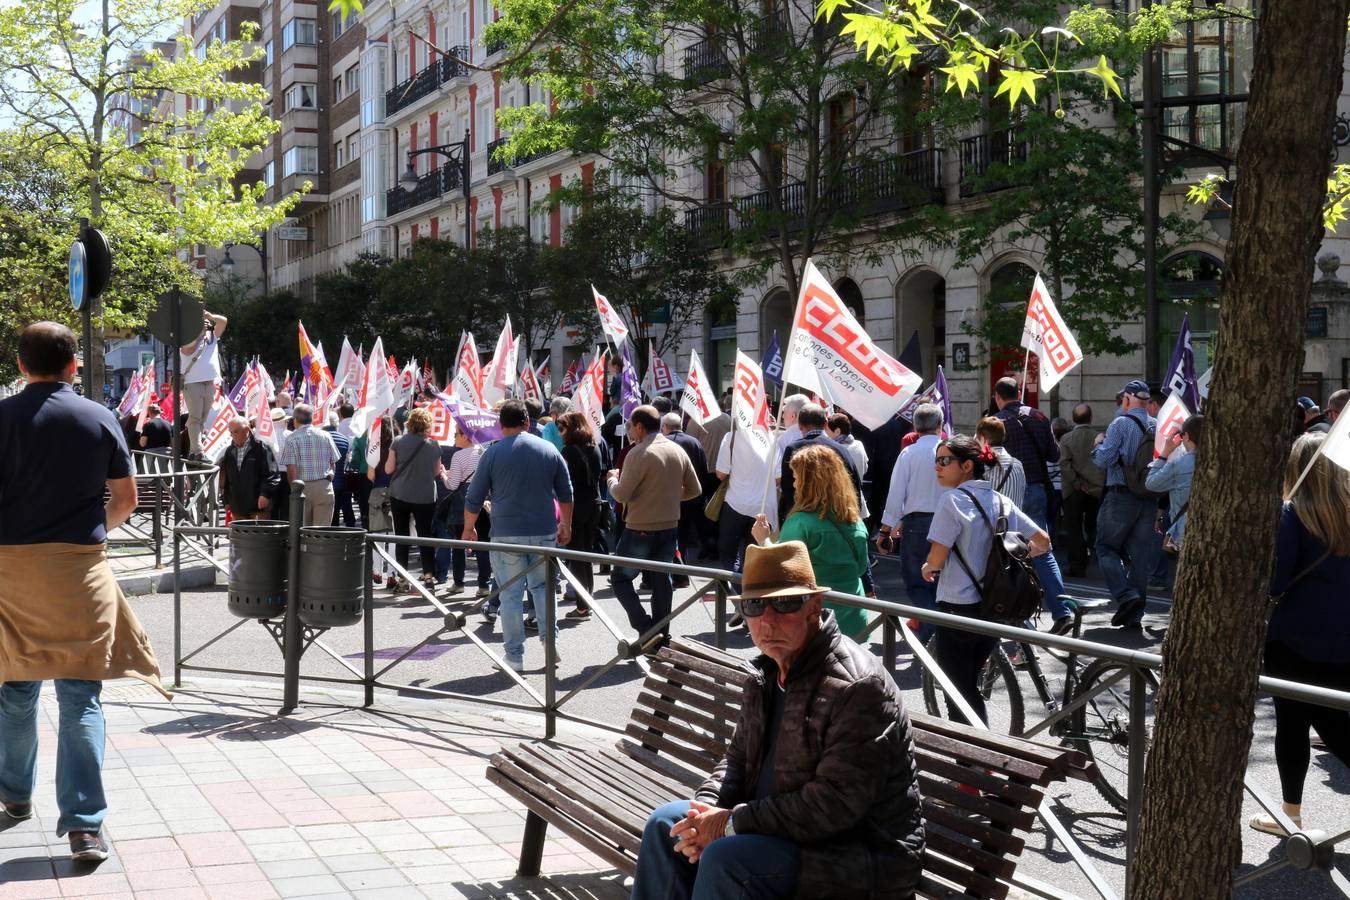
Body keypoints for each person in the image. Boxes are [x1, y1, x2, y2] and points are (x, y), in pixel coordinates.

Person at [630, 541, 924, 900]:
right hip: (781, 832)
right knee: (667, 825)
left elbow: (834, 804)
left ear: (813, 607)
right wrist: (703, 809)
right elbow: (737, 760)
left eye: (785, 603)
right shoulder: (766, 674)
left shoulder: (858, 687)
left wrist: (729, 824)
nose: (768, 619)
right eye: (755, 605)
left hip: (854, 856)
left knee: (727, 858)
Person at [0, 321, 166, 862]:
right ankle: (84, 826)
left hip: (11, 575)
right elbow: (125, 500)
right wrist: (87, 536)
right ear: (73, 365)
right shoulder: (99, 417)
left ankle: (14, 796)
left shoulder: (1, 417)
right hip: (80, 573)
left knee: (15, 690)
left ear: (22, 366)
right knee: (79, 696)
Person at [1249, 433, 1350, 835]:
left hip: (1296, 640)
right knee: (1336, 723)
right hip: (1345, 638)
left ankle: (1290, 814)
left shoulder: (1292, 515)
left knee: (1298, 727)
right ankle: (1287, 815)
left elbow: (1274, 583)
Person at [921, 435, 1052, 726]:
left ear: (967, 465)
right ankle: (980, 754)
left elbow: (937, 560)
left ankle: (975, 757)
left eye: (944, 461)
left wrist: (927, 567)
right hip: (996, 604)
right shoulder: (1000, 500)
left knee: (958, 688)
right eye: (936, 461)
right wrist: (1014, 556)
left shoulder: (952, 501)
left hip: (959, 605)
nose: (937, 467)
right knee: (969, 681)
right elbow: (1043, 542)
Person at [463, 400, 574, 672]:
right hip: (544, 531)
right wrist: (566, 525)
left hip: (506, 533)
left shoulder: (492, 453)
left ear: (501, 426)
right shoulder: (549, 449)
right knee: (544, 589)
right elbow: (566, 492)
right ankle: (550, 645)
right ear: (527, 422)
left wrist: (468, 528)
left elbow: (474, 496)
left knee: (511, 595)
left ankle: (514, 656)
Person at [607, 405, 702, 648]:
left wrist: (612, 480)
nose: (629, 430)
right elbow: (695, 489)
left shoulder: (638, 453)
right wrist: (667, 497)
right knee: (662, 579)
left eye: (630, 426)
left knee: (620, 578)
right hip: (669, 525)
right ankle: (661, 636)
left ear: (639, 427)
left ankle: (646, 628)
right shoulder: (676, 450)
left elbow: (621, 494)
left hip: (640, 525)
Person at [751, 445, 870, 640]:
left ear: (810, 483)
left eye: (798, 478)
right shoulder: (855, 522)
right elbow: (860, 568)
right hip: (853, 619)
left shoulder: (801, 522)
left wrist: (763, 538)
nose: (795, 484)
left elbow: (781, 569)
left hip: (815, 620)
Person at [990, 378, 1071, 631]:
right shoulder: (1038, 417)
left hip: (1008, 492)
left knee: (1008, 553)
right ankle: (1061, 610)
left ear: (997, 396)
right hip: (1036, 488)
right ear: (1020, 393)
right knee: (1042, 549)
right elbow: (1054, 454)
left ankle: (1020, 619)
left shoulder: (997, 423)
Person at [1091, 379, 1157, 628]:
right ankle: (1135, 614)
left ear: (1128, 399)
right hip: (1148, 497)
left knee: (1105, 548)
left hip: (1120, 496)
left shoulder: (1120, 423)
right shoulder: (1156, 424)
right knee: (1140, 557)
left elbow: (1103, 460)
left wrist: (1097, 444)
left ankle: (1126, 596)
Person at [877, 404, 944, 641]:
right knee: (941, 582)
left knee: (916, 582)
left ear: (915, 427)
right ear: (940, 425)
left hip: (917, 525)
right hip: (948, 523)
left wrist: (885, 530)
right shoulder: (951, 452)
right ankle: (939, 631)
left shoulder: (908, 454)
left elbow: (896, 495)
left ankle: (934, 631)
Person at [385, 407, 445, 592]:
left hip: (400, 494)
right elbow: (437, 471)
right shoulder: (434, 445)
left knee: (402, 536)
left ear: (409, 423)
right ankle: (428, 576)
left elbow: (388, 469)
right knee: (425, 535)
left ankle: (403, 578)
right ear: (427, 425)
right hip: (425, 495)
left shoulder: (398, 441)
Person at [777, 404, 863, 524]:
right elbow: (854, 486)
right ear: (826, 424)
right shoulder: (841, 449)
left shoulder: (793, 449)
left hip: (802, 523)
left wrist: (787, 521)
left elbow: (788, 489)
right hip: (837, 520)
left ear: (800, 427)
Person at [558, 411, 605, 617]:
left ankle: (583, 605)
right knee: (585, 553)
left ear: (571, 428)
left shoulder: (568, 451)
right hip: (594, 504)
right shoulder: (594, 447)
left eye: (562, 428)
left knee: (576, 556)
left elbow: (563, 482)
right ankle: (587, 599)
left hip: (575, 506)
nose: (560, 432)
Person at [715, 414, 774, 575]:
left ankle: (738, 587)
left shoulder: (731, 437)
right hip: (763, 507)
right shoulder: (772, 437)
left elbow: (720, 473)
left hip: (736, 503)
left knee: (728, 552)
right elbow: (778, 478)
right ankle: (747, 589)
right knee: (755, 554)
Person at [438, 428, 491, 596]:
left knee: (459, 544)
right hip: (483, 502)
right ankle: (484, 585)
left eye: (456, 434)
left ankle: (459, 582)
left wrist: (443, 475)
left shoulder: (458, 455)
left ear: (465, 436)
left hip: (463, 505)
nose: (454, 438)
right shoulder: (484, 452)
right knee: (483, 545)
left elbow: (453, 485)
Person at [661, 412, 709, 578]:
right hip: (693, 496)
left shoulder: (664, 443)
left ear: (665, 427)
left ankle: (679, 574)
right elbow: (703, 469)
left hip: (671, 499)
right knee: (685, 535)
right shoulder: (694, 442)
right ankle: (682, 571)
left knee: (674, 537)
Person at [1058, 404, 1104, 577]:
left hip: (1073, 490)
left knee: (1074, 528)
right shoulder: (1098, 437)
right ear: (1091, 418)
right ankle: (1104, 563)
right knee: (1094, 528)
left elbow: (1064, 464)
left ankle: (1077, 565)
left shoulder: (1066, 438)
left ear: (1073, 418)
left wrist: (1077, 483)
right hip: (1095, 489)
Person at [1145, 414, 1202, 551]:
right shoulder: (1221, 461)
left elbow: (1151, 483)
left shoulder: (1179, 464)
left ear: (1186, 436)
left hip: (1186, 532)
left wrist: (1165, 452)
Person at [278, 404, 340, 527]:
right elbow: (333, 461)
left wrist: (294, 489)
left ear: (295, 420)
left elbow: (291, 468)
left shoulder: (292, 438)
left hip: (302, 487)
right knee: (322, 531)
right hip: (324, 486)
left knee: (303, 530)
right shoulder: (325, 435)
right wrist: (329, 478)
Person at [178, 310, 228, 452]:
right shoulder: (187, 337)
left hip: (210, 382)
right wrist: (200, 333)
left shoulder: (211, 337)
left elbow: (223, 321)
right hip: (193, 382)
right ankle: (197, 449)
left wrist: (210, 317)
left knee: (202, 419)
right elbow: (187, 350)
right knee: (194, 418)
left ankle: (195, 449)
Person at [219, 416, 281, 520]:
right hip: (237, 507)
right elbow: (227, 480)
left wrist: (265, 495)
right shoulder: (229, 451)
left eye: (236, 432)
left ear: (247, 430)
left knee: (258, 534)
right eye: (231, 432)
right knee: (240, 536)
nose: (233, 435)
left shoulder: (262, 448)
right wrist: (226, 501)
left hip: (257, 507)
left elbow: (272, 474)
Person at [976, 416, 1025, 506]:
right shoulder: (1018, 465)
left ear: (982, 439)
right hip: (1013, 519)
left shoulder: (980, 465)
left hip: (991, 519)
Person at [329, 403, 357, 526]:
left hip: (338, 473)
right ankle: (350, 522)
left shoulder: (339, 430)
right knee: (346, 499)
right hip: (350, 471)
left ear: (340, 414)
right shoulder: (359, 426)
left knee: (339, 502)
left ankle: (346, 521)